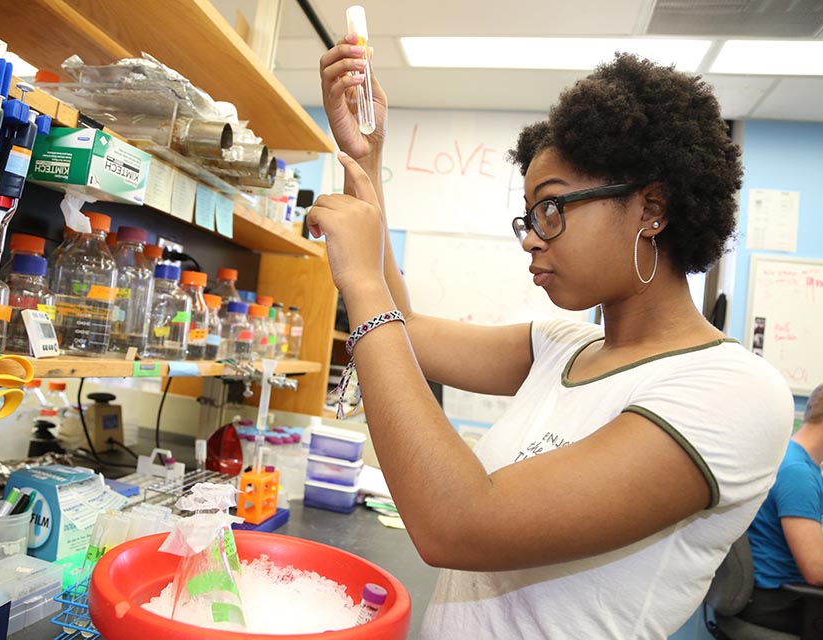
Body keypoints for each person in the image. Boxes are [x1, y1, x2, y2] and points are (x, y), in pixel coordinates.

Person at [309, 38, 795, 639]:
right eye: (530, 217)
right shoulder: (564, 345)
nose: (532, 239)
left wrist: (359, 277)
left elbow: (457, 524)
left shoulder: (731, 391)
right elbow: (401, 337)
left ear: (652, 208)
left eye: (552, 208)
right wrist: (367, 162)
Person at [742, 382, 823, 633]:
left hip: (767, 595)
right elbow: (817, 572)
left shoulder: (788, 456)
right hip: (779, 603)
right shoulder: (798, 473)